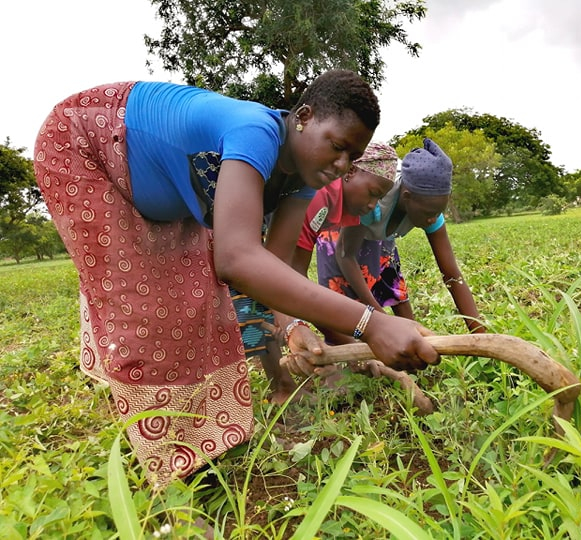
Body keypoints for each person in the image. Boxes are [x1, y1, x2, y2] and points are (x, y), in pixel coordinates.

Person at [33, 70, 438, 487]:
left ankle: (201, 443)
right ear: (304, 115)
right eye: (336, 146)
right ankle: (172, 483)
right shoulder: (255, 131)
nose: (340, 166)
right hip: (86, 143)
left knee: (197, 306)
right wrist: (371, 323)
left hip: (165, 199)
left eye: (351, 158)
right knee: (145, 312)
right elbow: (236, 258)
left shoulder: (302, 178)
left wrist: (293, 325)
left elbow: (272, 267)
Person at [284, 138, 483, 380]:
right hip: (341, 237)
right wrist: (377, 317)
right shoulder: (370, 203)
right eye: (430, 214)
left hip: (381, 236)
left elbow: (451, 273)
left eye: (438, 212)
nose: (434, 219)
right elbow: (345, 255)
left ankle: (409, 357)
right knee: (345, 305)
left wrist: (479, 334)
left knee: (392, 285)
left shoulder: (428, 208)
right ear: (407, 196)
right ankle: (353, 365)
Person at [236, 142, 398, 404]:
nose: (373, 205)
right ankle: (283, 389)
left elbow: (296, 275)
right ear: (349, 173)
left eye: (379, 198)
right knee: (256, 301)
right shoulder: (318, 197)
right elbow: (275, 276)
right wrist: (291, 324)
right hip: (241, 229)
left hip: (260, 241)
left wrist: (350, 348)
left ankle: (286, 385)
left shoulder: (327, 203)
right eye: (372, 193)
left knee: (276, 305)